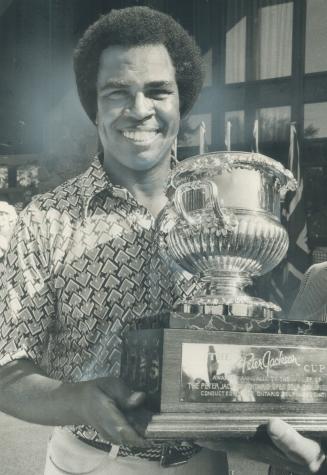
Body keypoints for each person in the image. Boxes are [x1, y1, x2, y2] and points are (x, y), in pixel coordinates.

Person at [0, 6, 325, 475]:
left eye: (158, 91)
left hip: (207, 463)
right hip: (93, 464)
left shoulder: (229, 217)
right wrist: (79, 400)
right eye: (117, 93)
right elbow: (7, 369)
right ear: (94, 106)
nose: (139, 110)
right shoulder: (45, 222)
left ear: (180, 102)